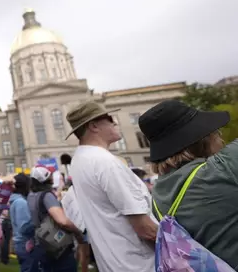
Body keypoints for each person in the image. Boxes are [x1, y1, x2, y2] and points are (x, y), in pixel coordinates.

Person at [142, 100, 238, 267]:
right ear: (202, 139)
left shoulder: (158, 195)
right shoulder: (220, 168)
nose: (221, 139)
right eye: (216, 132)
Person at [67, 102, 156, 272]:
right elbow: (146, 229)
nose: (114, 122)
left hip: (115, 263)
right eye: (108, 119)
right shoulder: (105, 162)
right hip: (140, 264)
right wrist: (186, 248)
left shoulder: (80, 159)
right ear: (93, 126)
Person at [27, 166, 83, 272]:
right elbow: (62, 221)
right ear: (47, 178)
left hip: (41, 243)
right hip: (57, 246)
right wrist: (77, 232)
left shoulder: (31, 195)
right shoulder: (47, 196)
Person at [10, 173, 34, 272]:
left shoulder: (17, 201)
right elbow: (24, 227)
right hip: (24, 243)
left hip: (21, 242)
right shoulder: (20, 202)